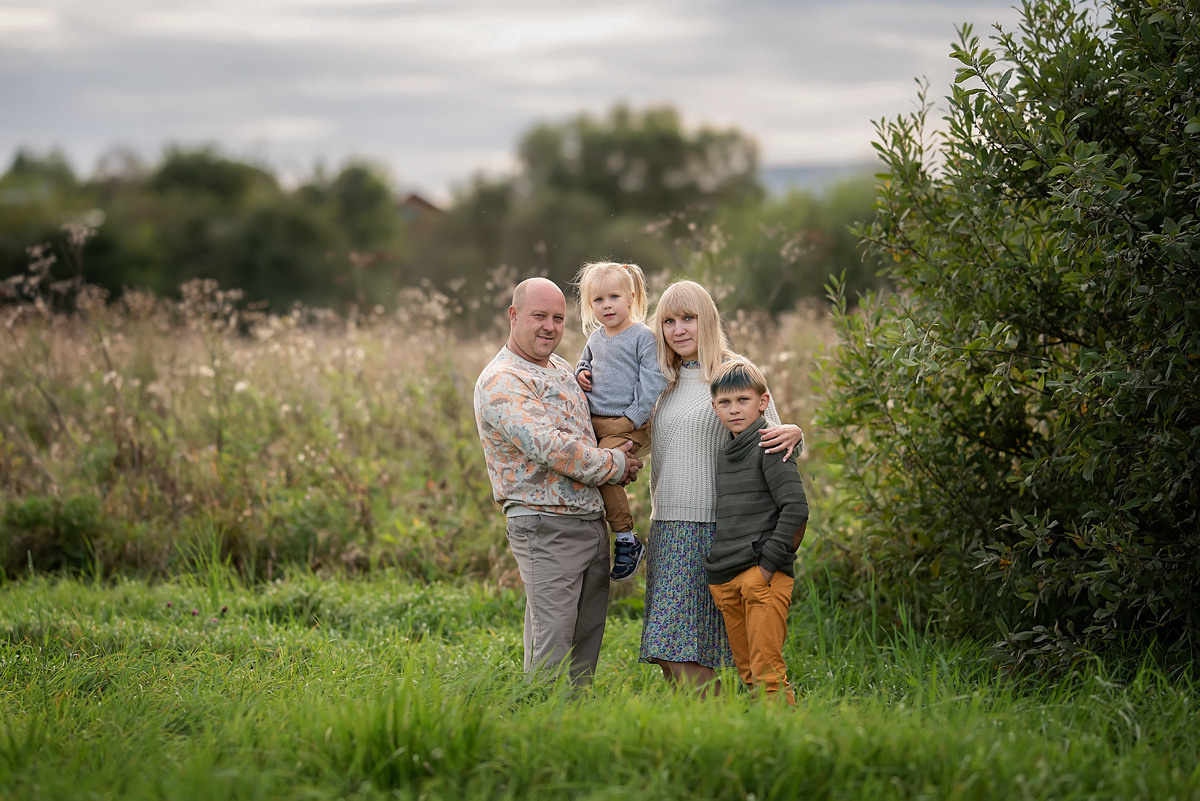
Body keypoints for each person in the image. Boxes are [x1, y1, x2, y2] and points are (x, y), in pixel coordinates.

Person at [473, 277, 643, 687]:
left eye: (557, 318)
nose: (549, 326)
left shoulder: (564, 369)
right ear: (514, 316)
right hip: (545, 526)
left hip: (590, 521)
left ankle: (573, 727)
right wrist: (615, 465)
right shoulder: (502, 380)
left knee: (585, 640)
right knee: (552, 643)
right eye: (539, 317)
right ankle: (538, 727)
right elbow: (550, 447)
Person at [638, 279, 803, 695]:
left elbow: (775, 436)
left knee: (682, 644)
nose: (678, 330)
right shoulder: (663, 380)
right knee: (667, 645)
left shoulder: (730, 373)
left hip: (713, 526)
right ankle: (701, 729)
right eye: (669, 321)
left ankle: (720, 722)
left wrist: (797, 434)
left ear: (708, 320)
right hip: (666, 524)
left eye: (688, 319)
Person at [704, 358, 808, 705]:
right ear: (714, 406)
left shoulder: (771, 445)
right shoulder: (726, 452)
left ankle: (784, 739)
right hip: (727, 577)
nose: (734, 410)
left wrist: (765, 569)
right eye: (725, 403)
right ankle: (760, 738)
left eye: (743, 400)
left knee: (767, 673)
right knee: (747, 671)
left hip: (761, 575)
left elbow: (796, 509)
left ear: (763, 401)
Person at [573, 261, 667, 582]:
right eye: (598, 300)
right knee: (586, 467)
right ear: (590, 306)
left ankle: (626, 538)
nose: (607, 305)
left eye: (614, 297)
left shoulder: (642, 336)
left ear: (630, 297)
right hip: (595, 421)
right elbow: (584, 363)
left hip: (627, 420)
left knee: (606, 472)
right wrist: (581, 373)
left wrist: (633, 418)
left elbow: (652, 379)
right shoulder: (596, 338)